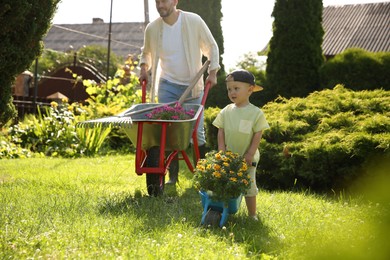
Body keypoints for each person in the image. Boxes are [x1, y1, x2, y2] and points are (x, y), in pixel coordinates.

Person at [139, 0, 220, 185]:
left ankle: (203, 177)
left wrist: (213, 72)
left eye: (164, 1)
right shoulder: (152, 28)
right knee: (168, 132)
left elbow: (211, 47)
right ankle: (172, 177)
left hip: (193, 86)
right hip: (167, 84)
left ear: (175, 1)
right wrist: (144, 68)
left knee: (197, 132)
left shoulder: (193, 21)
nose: (160, 5)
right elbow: (147, 53)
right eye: (157, 1)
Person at [212, 69, 269, 220]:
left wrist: (250, 153)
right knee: (226, 183)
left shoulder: (255, 113)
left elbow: (258, 133)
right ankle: (225, 210)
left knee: (249, 186)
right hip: (229, 157)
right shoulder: (226, 111)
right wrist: (221, 150)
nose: (232, 92)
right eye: (229, 89)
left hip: (248, 159)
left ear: (250, 89)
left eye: (236, 88)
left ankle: (252, 215)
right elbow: (221, 131)